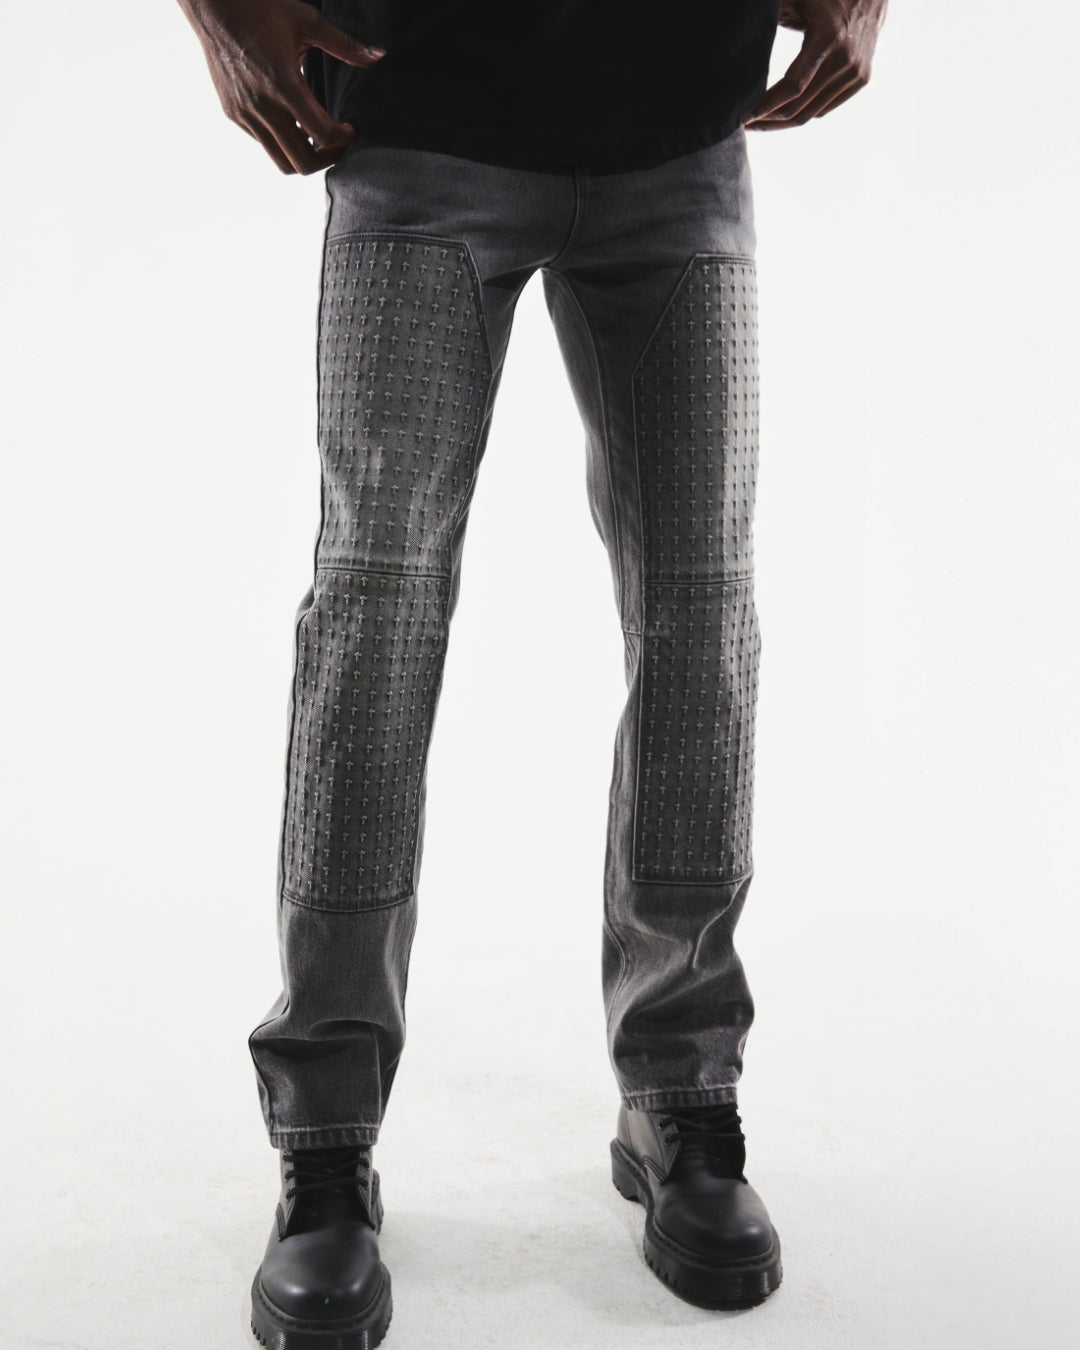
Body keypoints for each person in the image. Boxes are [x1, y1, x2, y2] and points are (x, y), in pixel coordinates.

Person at [176, 2, 888, 1345]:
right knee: (375, 612)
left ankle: (681, 1094)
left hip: (680, 130)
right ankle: (326, 1136)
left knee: (701, 608)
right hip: (419, 119)